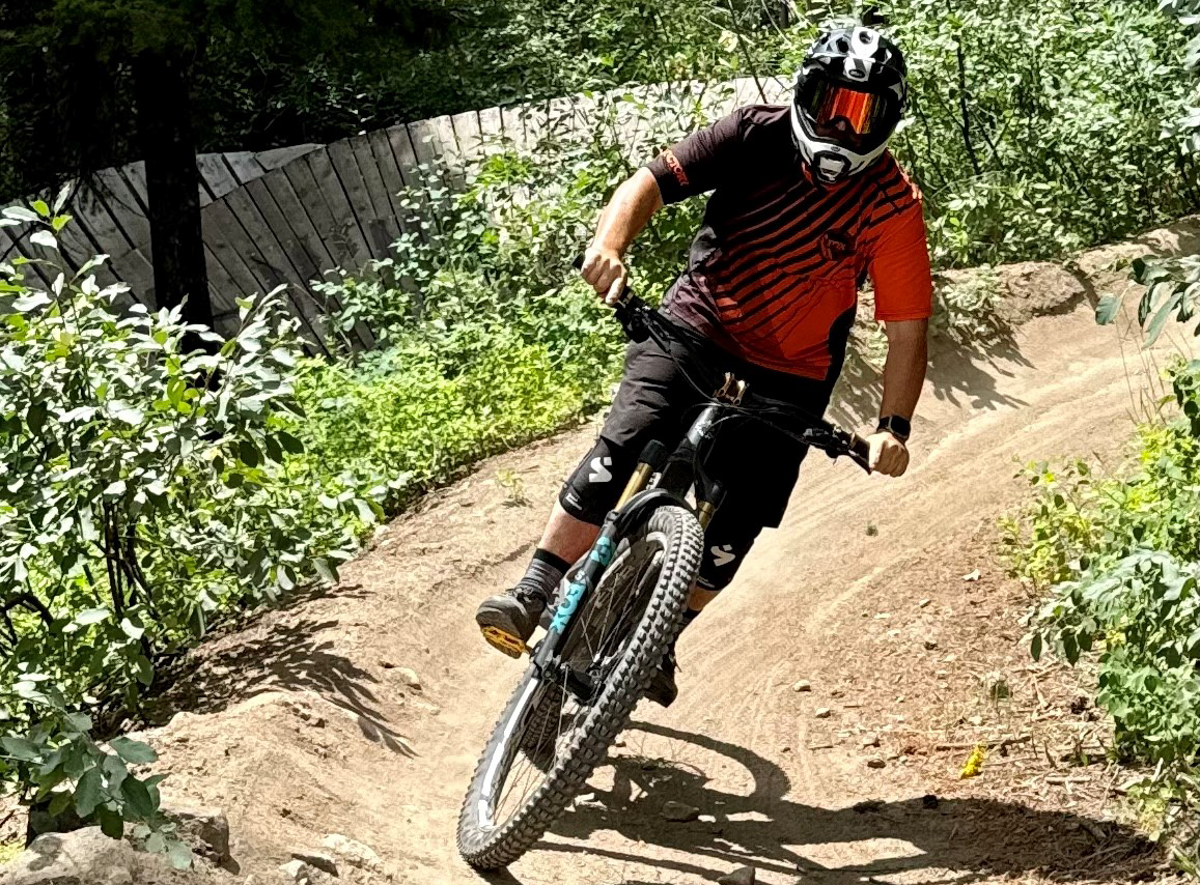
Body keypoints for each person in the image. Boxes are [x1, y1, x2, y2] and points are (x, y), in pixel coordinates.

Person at [475, 24, 933, 707]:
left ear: (887, 121)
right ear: (804, 93)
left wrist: (892, 426)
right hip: (698, 324)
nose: (842, 126)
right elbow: (650, 183)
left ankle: (659, 637)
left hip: (794, 373)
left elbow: (907, 328)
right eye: (832, 103)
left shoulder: (892, 205)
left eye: (861, 113)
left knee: (733, 532)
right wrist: (610, 246)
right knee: (621, 447)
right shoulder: (752, 132)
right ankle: (534, 588)